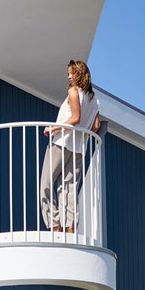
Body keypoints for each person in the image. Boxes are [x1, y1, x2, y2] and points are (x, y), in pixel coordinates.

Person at [41, 60, 101, 233]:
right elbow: (95, 126)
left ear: (79, 74)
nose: (68, 77)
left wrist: (53, 128)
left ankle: (54, 225)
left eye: (71, 73)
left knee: (45, 183)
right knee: (69, 188)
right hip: (79, 147)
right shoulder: (94, 99)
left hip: (62, 142)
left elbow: (75, 118)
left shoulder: (74, 91)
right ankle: (70, 227)